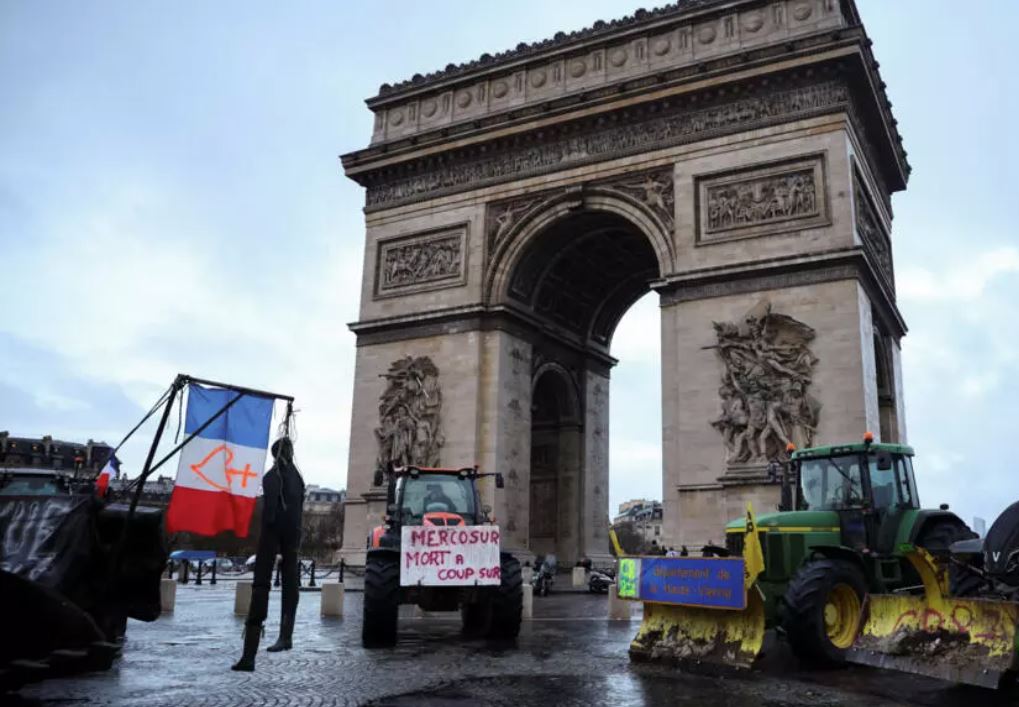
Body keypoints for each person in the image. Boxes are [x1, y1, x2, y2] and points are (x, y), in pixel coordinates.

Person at [232, 436, 305, 671]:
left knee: (261, 587)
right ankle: (286, 636)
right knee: (291, 584)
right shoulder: (298, 478)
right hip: (293, 534)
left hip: (272, 535)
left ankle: (249, 655)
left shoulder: (272, 478)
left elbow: (270, 513)